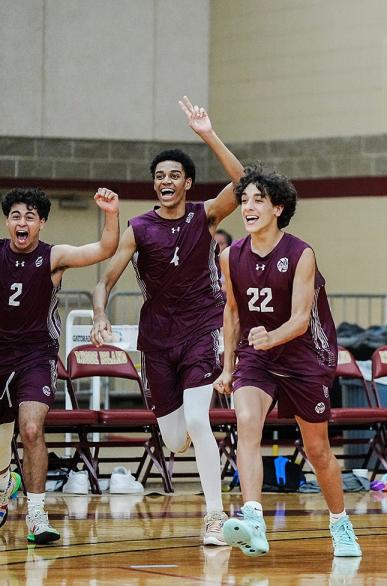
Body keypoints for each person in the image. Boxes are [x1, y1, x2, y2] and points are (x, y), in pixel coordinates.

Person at [91, 97, 243, 545]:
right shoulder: (138, 228)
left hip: (202, 330)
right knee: (176, 438)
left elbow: (244, 181)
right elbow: (105, 281)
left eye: (174, 175)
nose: (166, 181)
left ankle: (215, 516)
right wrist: (100, 313)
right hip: (156, 341)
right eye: (159, 176)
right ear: (154, 185)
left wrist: (207, 134)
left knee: (199, 421)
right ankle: (197, 457)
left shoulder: (205, 214)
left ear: (187, 182)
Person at [214, 166, 362, 558]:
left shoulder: (301, 253)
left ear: (278, 208)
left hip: (304, 357)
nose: (248, 207)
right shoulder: (230, 256)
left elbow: (299, 321)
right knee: (246, 423)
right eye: (243, 200)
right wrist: (228, 366)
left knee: (317, 451)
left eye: (258, 200)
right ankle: (254, 522)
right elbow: (231, 312)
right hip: (256, 358)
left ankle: (340, 523)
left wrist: (270, 336)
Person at [0, 186, 120, 543]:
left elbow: (103, 249)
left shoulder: (54, 257)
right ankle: (6, 481)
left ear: (42, 223)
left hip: (36, 354)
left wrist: (111, 214)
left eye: (30, 217)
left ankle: (37, 515)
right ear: (8, 221)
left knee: (32, 429)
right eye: (16, 215)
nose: (22, 222)